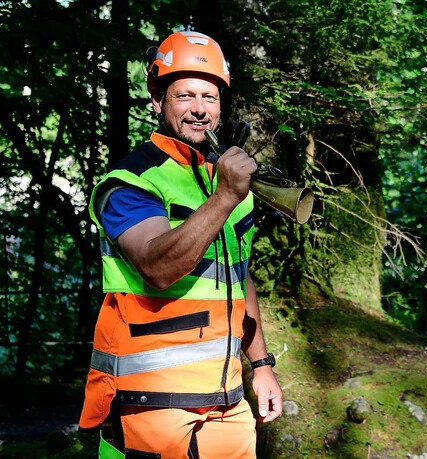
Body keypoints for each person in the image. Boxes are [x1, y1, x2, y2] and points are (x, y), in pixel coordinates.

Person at [78, 30, 283, 458]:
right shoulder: (130, 182)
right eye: (185, 95)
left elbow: (238, 279)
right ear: (158, 102)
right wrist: (225, 196)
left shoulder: (224, 180)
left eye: (209, 97)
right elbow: (156, 266)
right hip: (153, 410)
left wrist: (261, 366)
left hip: (228, 406)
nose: (199, 109)